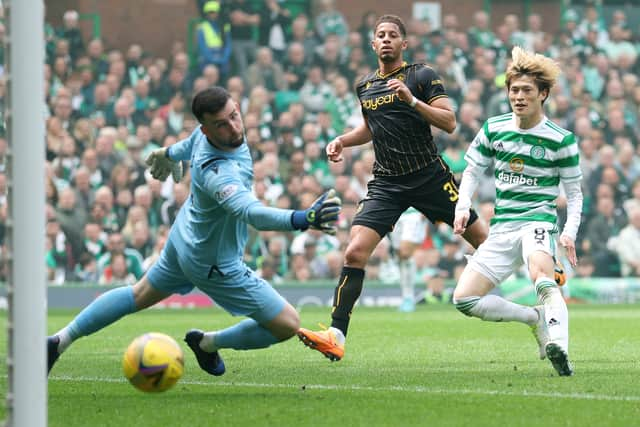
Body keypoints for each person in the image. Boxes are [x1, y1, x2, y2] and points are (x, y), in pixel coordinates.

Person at [47, 87, 342, 376]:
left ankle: (59, 341)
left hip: (184, 238)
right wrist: (303, 218)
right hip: (212, 262)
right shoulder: (218, 172)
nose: (232, 126)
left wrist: (169, 153)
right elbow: (250, 213)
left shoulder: (207, 136)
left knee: (138, 294)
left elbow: (187, 145)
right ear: (207, 129)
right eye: (221, 124)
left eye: (233, 116)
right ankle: (208, 343)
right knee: (287, 324)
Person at [296, 14, 488, 362]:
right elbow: (371, 129)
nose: (386, 39)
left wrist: (412, 101)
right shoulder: (366, 86)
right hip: (387, 182)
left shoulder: (422, 75)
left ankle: (537, 292)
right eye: (380, 35)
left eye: (392, 35)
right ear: (373, 44)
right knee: (354, 252)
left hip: (429, 176)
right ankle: (336, 334)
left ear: (404, 43)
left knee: (484, 241)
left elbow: (449, 122)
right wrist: (342, 140)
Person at [451, 47, 583, 376]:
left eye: (526, 90)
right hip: (502, 227)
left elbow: (575, 194)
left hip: (537, 222)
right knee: (464, 300)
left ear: (544, 94)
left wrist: (568, 232)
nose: (518, 97)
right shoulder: (494, 128)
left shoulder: (560, 139)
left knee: (542, 277)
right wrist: (463, 204)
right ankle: (534, 318)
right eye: (514, 90)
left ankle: (560, 346)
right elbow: (471, 171)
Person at [389, 208, 427, 312]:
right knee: (400, 256)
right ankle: (406, 296)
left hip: (414, 213)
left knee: (406, 253)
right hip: (396, 212)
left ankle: (409, 298)